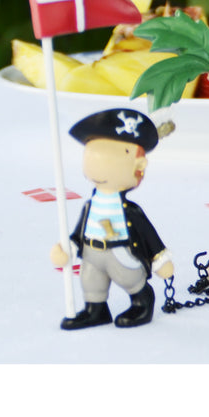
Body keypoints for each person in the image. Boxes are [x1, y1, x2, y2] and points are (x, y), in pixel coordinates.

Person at [50, 108, 173, 330]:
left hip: (120, 251)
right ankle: (95, 310)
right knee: (91, 281)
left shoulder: (130, 212)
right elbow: (79, 232)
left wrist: (160, 259)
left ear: (139, 165)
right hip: (91, 252)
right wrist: (67, 247)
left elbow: (148, 235)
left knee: (130, 278)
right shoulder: (90, 206)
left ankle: (141, 302)